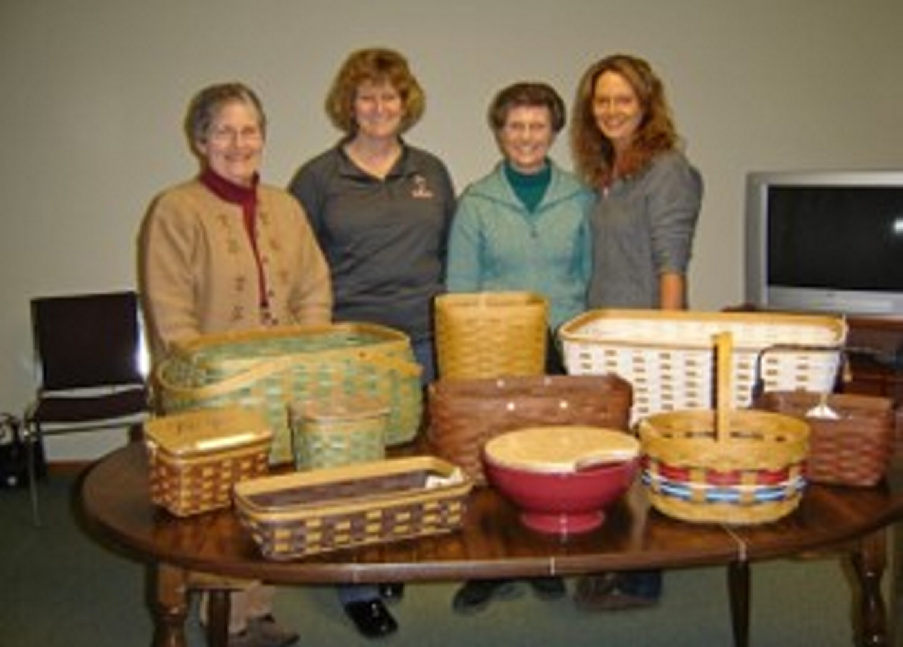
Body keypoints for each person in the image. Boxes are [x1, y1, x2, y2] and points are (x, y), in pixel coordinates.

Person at [138, 82, 332, 647]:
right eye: (223, 130)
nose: (238, 142)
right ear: (201, 140)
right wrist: (216, 382)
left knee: (271, 497)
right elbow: (172, 314)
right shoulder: (176, 209)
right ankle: (221, 616)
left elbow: (313, 287)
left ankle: (257, 608)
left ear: (263, 139)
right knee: (216, 510)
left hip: (281, 383)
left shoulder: (286, 207)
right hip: (211, 392)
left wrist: (304, 354)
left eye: (249, 130)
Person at [288, 47, 456, 639]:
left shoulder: (431, 172)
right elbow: (296, 263)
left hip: (424, 339)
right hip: (349, 343)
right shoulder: (317, 177)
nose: (379, 106)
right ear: (348, 104)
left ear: (406, 102)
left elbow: (447, 256)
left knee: (410, 458)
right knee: (354, 468)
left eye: (390, 95)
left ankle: (389, 556)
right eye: (367, 96)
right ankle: (357, 583)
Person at [445, 81, 592, 613]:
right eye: (515, 126)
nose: (526, 136)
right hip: (494, 346)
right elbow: (459, 291)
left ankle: (539, 561)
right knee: (489, 463)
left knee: (548, 462)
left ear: (553, 131)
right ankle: (485, 566)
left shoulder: (580, 198)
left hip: (560, 345)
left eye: (537, 126)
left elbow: (590, 277)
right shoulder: (476, 203)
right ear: (499, 132)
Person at [569, 53, 703, 610]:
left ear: (646, 104)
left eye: (624, 99)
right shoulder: (610, 174)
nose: (612, 109)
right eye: (602, 100)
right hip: (609, 335)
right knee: (617, 454)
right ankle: (621, 560)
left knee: (646, 452)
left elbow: (672, 260)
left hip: (647, 338)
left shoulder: (666, 168)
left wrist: (665, 342)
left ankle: (644, 576)